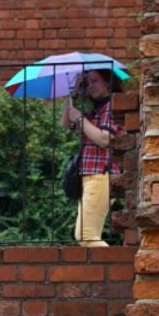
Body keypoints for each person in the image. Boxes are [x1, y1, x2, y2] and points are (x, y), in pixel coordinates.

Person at [60, 69, 122, 247]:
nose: (90, 86)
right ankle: (109, 270)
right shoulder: (96, 109)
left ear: (108, 81)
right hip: (89, 175)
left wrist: (80, 118)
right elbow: (66, 124)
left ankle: (113, 269)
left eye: (95, 81)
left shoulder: (112, 105)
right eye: (87, 83)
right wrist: (72, 94)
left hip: (102, 173)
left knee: (86, 235)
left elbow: (104, 139)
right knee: (86, 234)